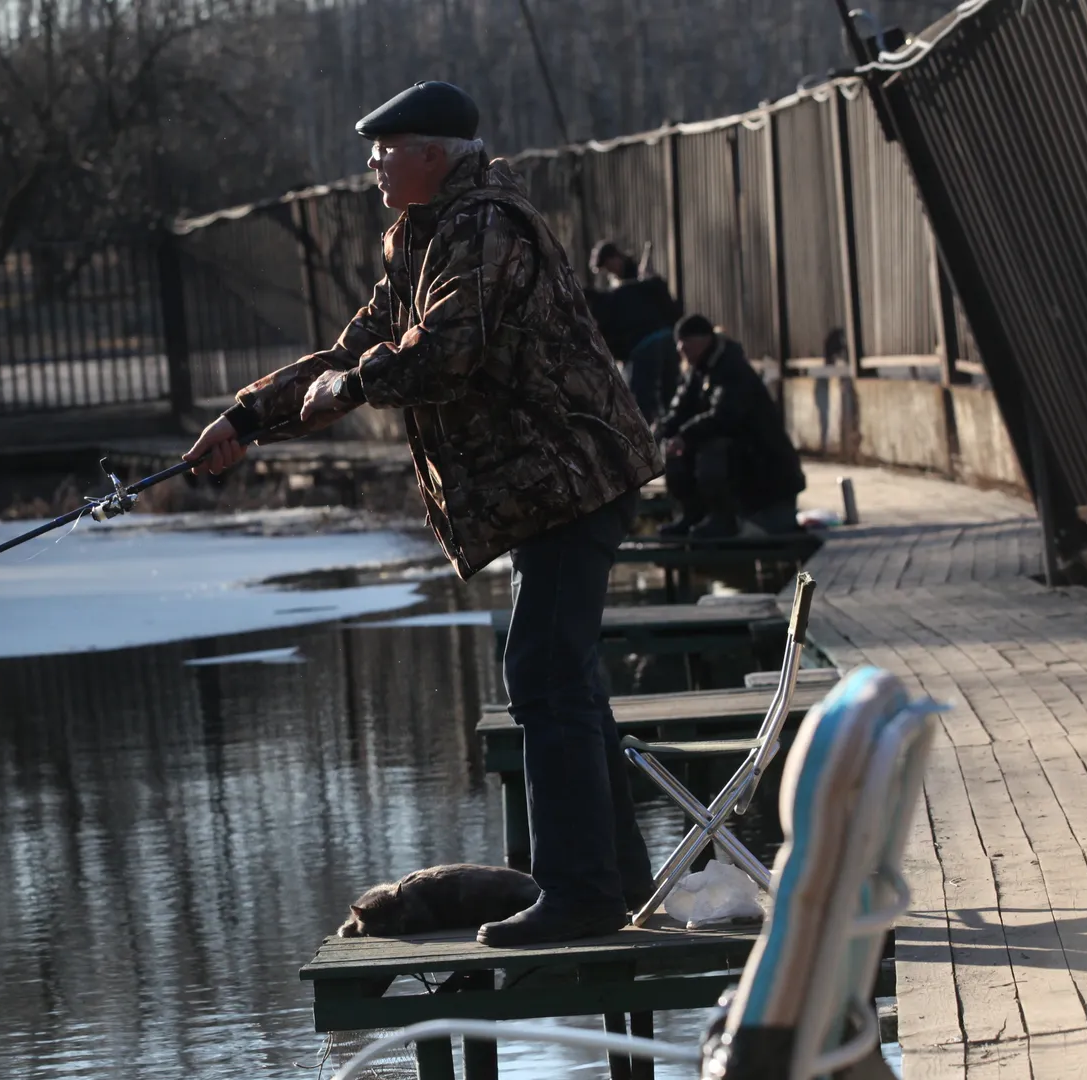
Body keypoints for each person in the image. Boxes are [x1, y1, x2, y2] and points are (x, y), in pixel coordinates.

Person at [186, 81, 662, 945]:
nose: (370, 163)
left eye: (385, 148)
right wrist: (249, 417)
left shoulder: (482, 227)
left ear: (433, 154)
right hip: (550, 487)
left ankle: (584, 895)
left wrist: (354, 386)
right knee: (567, 679)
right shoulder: (428, 237)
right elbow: (354, 345)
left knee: (544, 674)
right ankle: (615, 882)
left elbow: (440, 353)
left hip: (572, 476)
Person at [654, 315, 807, 538]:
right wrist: (658, 434)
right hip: (740, 461)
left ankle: (723, 518)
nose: (680, 348)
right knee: (675, 450)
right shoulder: (698, 371)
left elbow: (725, 416)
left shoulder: (732, 368)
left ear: (703, 340)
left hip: (762, 467)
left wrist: (685, 436)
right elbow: (679, 412)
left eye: (685, 341)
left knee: (711, 448)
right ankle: (692, 514)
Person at [587, 240, 681, 365]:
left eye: (608, 265)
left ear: (616, 257)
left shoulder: (639, 277)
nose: (609, 270)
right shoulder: (615, 285)